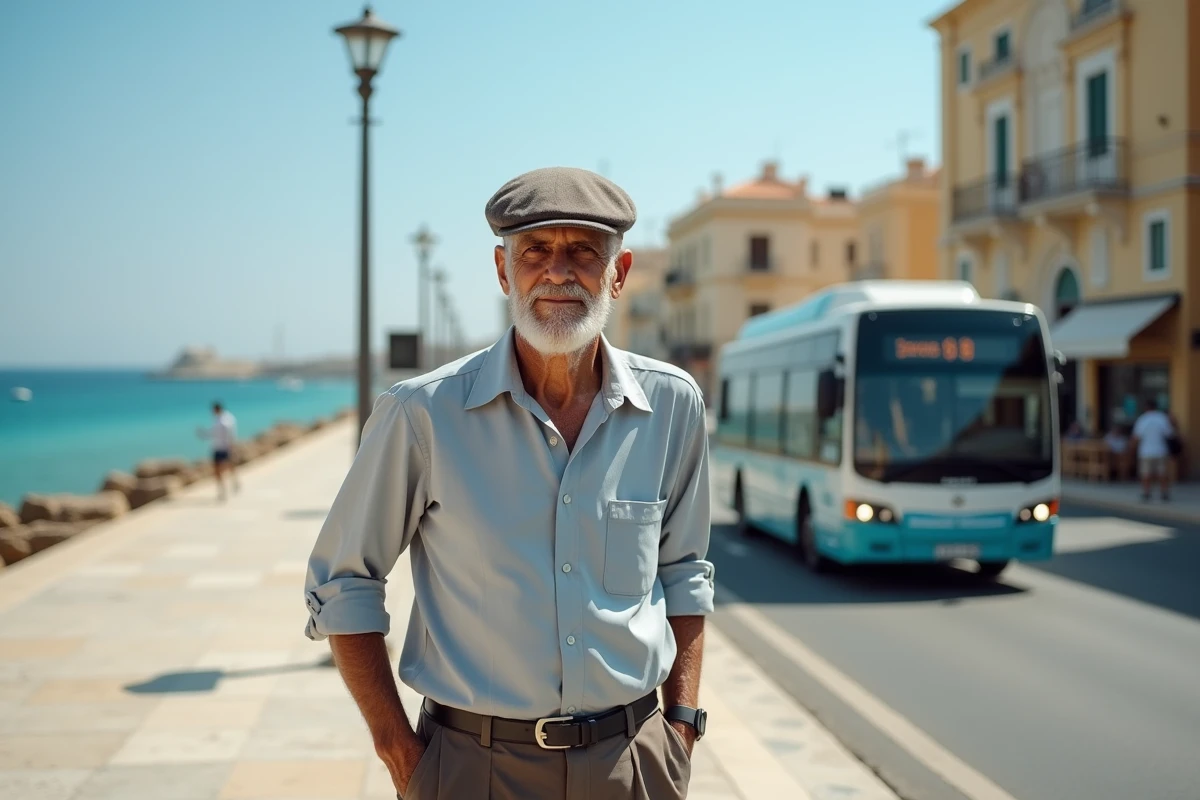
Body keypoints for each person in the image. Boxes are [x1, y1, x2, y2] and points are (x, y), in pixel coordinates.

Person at [304, 167, 712, 800]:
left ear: (619, 273)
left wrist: (681, 729)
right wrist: (398, 751)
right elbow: (342, 582)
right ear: (503, 271)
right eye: (535, 251)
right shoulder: (423, 415)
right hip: (475, 770)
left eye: (583, 252)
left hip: (633, 765)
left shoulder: (673, 405)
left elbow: (684, 572)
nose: (558, 271)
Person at [1131, 398, 1176, 501]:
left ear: (1146, 408)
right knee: (1162, 473)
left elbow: (1136, 437)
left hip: (1146, 451)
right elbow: (1169, 434)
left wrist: (1132, 449)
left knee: (1146, 473)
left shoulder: (1143, 419)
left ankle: (1146, 492)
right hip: (1161, 450)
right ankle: (1164, 492)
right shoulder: (1162, 419)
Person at [198, 402, 239, 501]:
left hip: (225, 448)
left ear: (217, 409)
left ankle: (234, 482)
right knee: (217, 470)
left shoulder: (226, 419)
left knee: (228, 467)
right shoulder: (218, 419)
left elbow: (230, 434)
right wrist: (204, 434)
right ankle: (222, 490)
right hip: (217, 447)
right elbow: (214, 433)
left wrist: (232, 447)